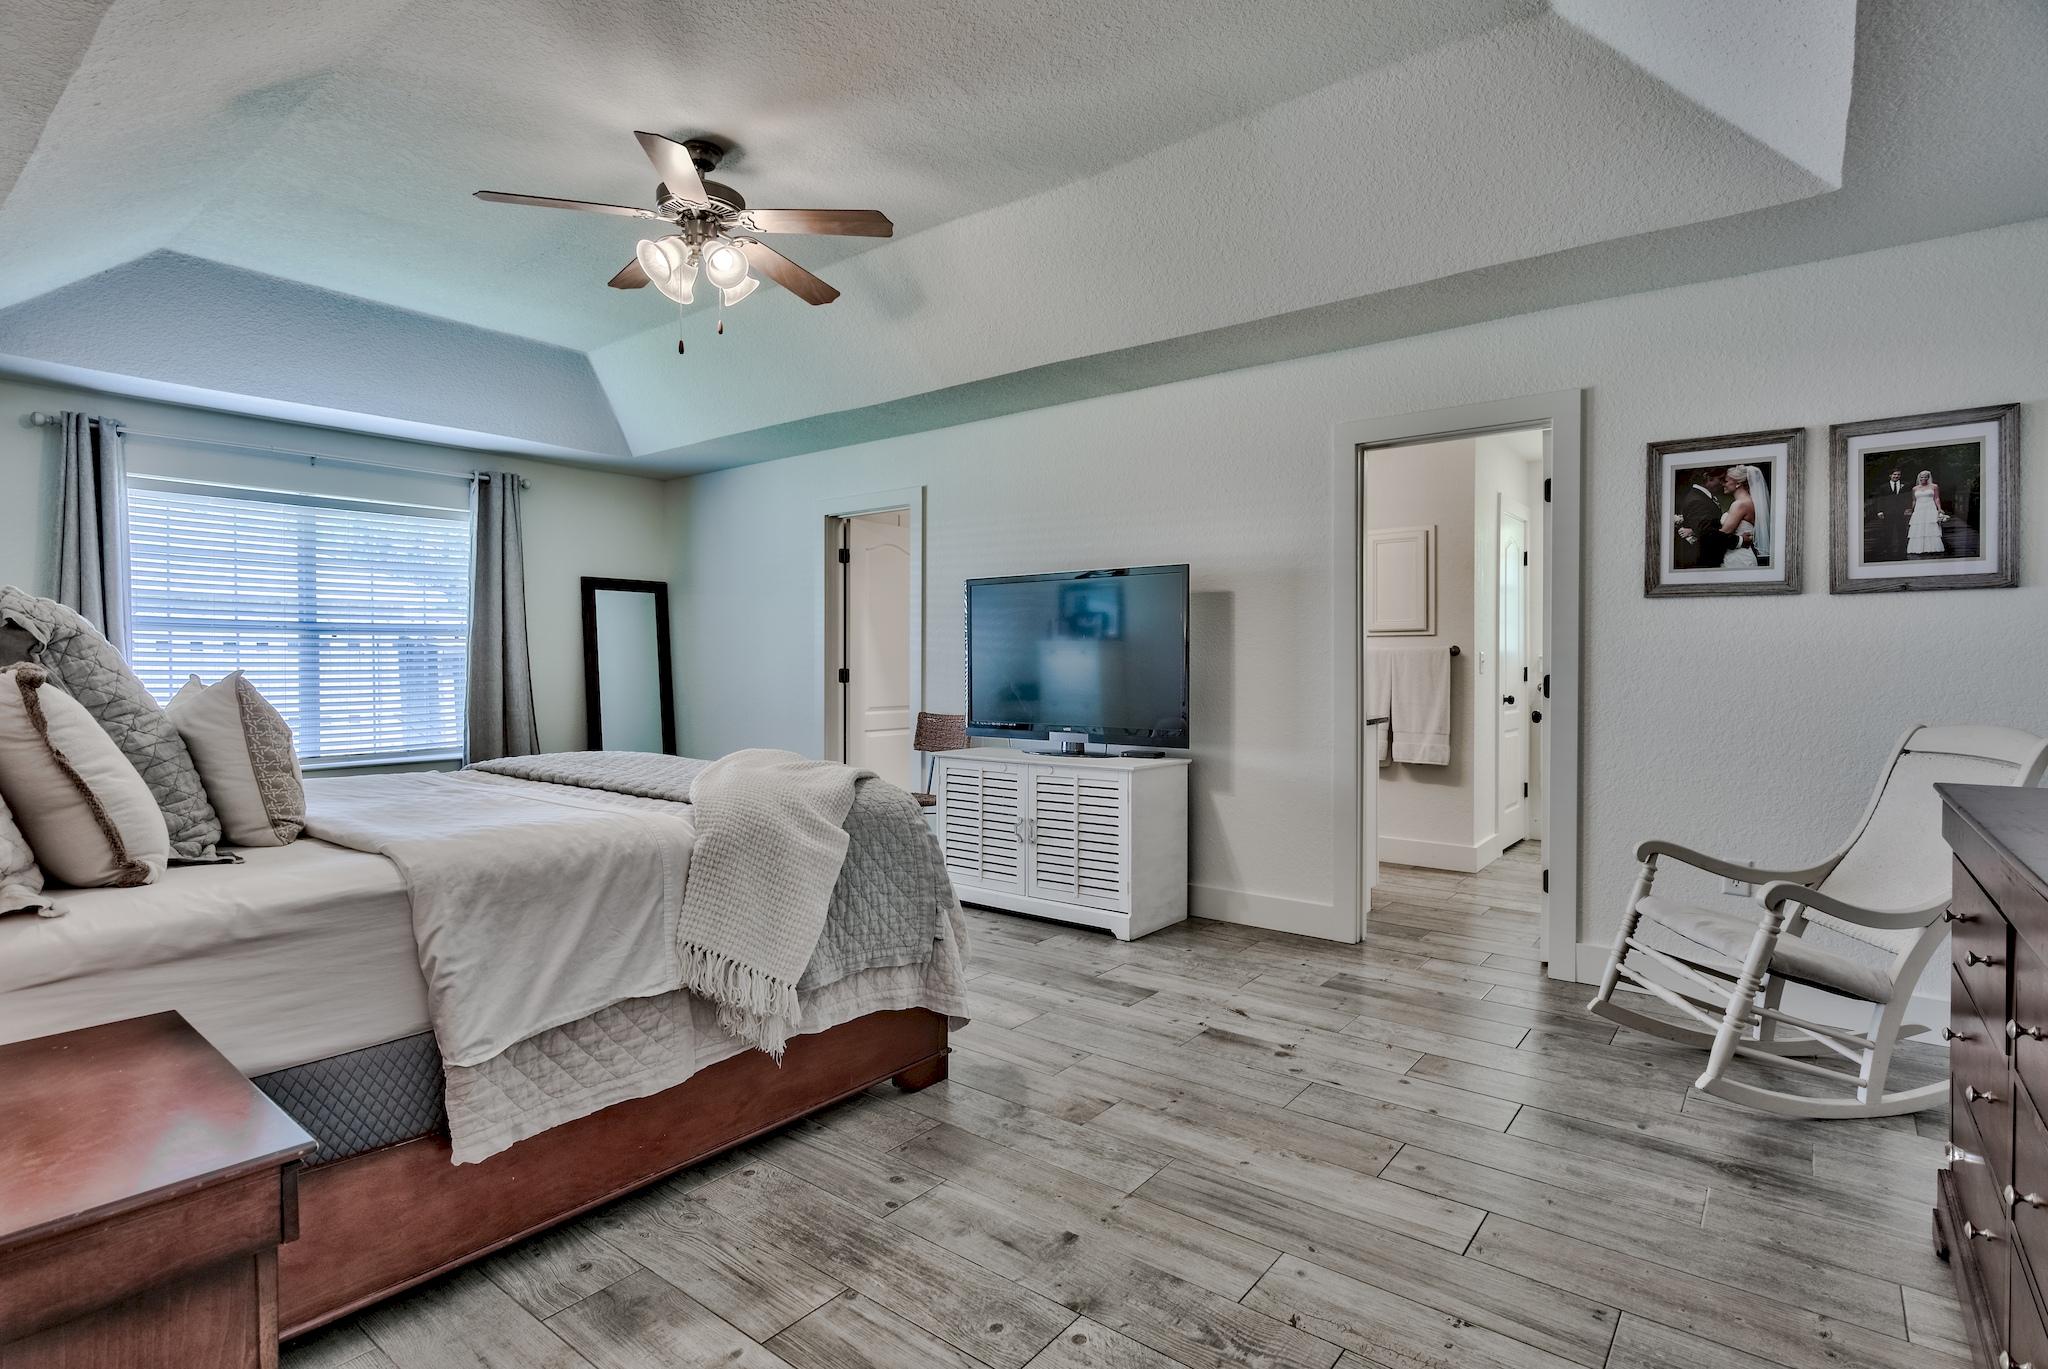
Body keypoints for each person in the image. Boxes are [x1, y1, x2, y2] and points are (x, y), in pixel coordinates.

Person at [1674, 468, 1734, 569]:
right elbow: (1707, 533)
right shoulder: (1697, 500)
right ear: (1707, 477)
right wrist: (1739, 540)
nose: (1723, 483)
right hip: (1703, 561)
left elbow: (1708, 525)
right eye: (1720, 479)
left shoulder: (1702, 497)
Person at [1719, 464, 1769, 569]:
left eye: (1726, 481)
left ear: (1738, 483)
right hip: (1745, 555)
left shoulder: (1740, 504)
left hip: (1737, 558)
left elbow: (1722, 535)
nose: (1723, 484)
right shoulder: (1751, 502)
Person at [1867, 466, 1912, 561]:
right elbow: (1879, 499)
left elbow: (1908, 497)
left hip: (1901, 512)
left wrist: (1908, 508)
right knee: (1888, 531)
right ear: (1890, 475)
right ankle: (1888, 550)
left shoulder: (1906, 485)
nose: (1896, 476)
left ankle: (1902, 550)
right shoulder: (1883, 487)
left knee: (1902, 531)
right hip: (1888, 512)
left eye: (1898, 474)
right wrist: (1879, 511)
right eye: (1894, 474)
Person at [1907, 469, 1947, 556]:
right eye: (1922, 477)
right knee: (1919, 527)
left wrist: (1939, 508)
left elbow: (1936, 498)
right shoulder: (1915, 488)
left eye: (1925, 477)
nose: (1923, 478)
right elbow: (1914, 500)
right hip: (1919, 508)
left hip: (1930, 507)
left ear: (1928, 477)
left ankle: (1932, 547)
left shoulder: (1934, 486)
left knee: (1931, 525)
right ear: (1919, 477)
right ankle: (1918, 547)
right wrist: (1911, 509)